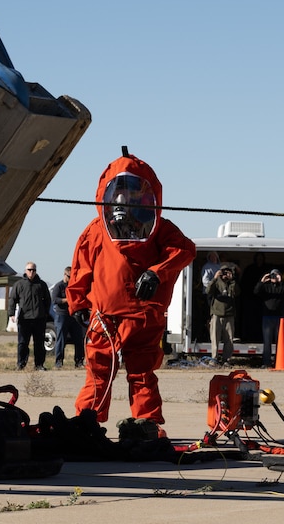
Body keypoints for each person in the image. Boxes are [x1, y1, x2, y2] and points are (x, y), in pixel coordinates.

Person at [65, 149, 197, 428]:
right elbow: (81, 268)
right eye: (119, 192)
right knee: (99, 372)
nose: (124, 200)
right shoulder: (96, 230)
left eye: (132, 192)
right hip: (104, 316)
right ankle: (87, 425)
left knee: (142, 373)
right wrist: (77, 303)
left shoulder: (161, 228)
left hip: (143, 316)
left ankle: (147, 424)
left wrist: (155, 273)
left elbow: (184, 250)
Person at [10, 262, 52, 371]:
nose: (31, 272)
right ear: (25, 271)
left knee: (39, 343)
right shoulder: (19, 284)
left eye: (33, 270)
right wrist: (11, 314)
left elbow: (48, 300)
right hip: (24, 319)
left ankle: (39, 365)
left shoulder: (41, 285)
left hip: (39, 318)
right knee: (23, 343)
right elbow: (13, 299)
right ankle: (21, 364)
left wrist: (45, 313)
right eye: (29, 270)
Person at [205, 262, 242, 364]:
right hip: (217, 314)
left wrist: (232, 280)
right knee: (215, 338)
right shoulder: (217, 282)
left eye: (228, 272)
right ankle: (214, 358)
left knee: (229, 339)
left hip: (229, 314)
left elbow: (236, 293)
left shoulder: (232, 283)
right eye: (224, 272)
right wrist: (215, 278)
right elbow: (208, 290)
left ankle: (227, 358)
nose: (225, 274)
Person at [51, 265, 85, 368]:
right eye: (69, 277)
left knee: (79, 339)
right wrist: (67, 300)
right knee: (61, 339)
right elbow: (55, 300)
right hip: (62, 315)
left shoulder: (74, 286)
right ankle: (59, 362)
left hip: (74, 315)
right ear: (65, 275)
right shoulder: (59, 286)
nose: (71, 279)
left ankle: (79, 362)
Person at [254, 268, 284, 361]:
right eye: (272, 275)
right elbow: (256, 291)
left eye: (276, 275)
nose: (274, 277)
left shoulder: (282, 287)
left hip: (280, 318)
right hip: (267, 317)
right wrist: (262, 281)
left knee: (280, 341)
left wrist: (281, 281)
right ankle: (266, 362)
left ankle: (279, 361)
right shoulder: (266, 286)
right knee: (267, 341)